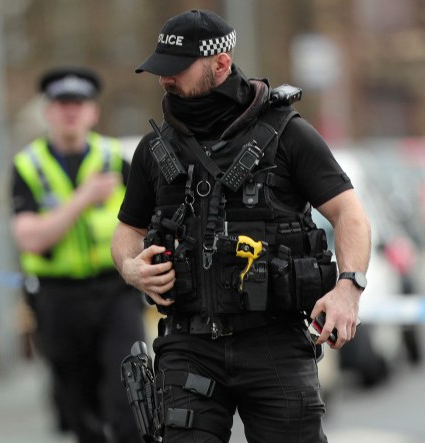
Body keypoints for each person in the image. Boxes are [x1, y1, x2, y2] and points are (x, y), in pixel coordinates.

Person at [110, 9, 371, 443]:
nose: (164, 80)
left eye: (176, 69)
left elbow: (350, 215)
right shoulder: (153, 150)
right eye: (160, 70)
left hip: (274, 342)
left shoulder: (288, 134)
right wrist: (129, 267)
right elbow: (126, 231)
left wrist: (348, 289)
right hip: (188, 343)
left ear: (221, 63)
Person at [10, 66, 145, 443]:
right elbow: (29, 238)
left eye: (79, 103)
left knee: (131, 392)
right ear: (48, 112)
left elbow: (147, 226)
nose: (70, 111)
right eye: (61, 104)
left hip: (115, 292)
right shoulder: (28, 166)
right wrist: (82, 199)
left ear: (93, 112)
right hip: (58, 300)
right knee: (77, 407)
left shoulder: (116, 160)